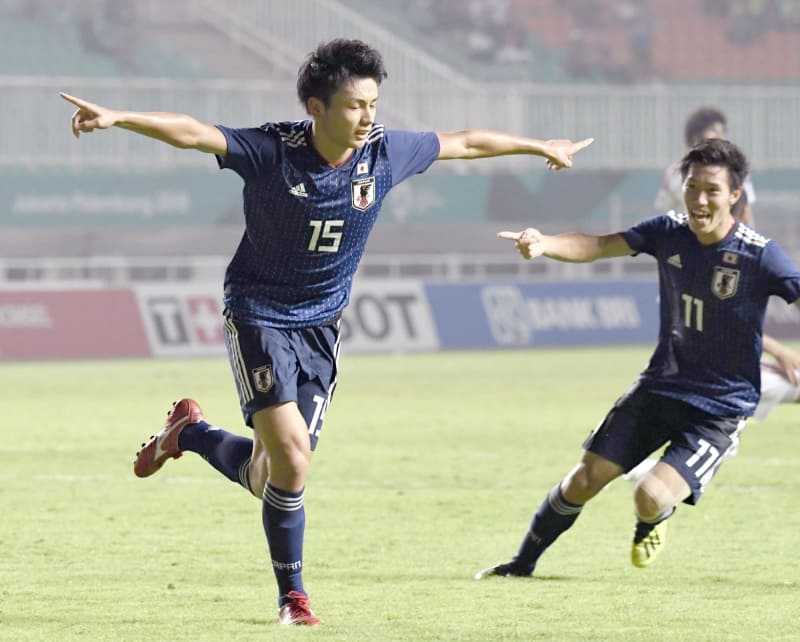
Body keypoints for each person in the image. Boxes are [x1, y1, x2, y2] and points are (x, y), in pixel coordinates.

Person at [60, 38, 593, 626]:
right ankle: (293, 598)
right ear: (315, 106)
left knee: (274, 472)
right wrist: (119, 118)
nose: (368, 117)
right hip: (259, 314)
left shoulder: (386, 153)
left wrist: (541, 145)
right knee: (292, 460)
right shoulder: (271, 151)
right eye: (354, 106)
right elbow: (191, 132)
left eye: (373, 104)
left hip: (321, 326)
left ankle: (188, 434)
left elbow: (465, 142)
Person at [478, 138, 800, 579]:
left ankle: (654, 519)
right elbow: (597, 245)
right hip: (660, 387)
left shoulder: (759, 255)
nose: (699, 200)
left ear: (734, 195)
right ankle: (521, 564)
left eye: (711, 190)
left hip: (720, 408)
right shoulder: (668, 231)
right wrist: (545, 243)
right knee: (583, 480)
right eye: (692, 188)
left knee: (648, 496)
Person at [655, 106, 756, 226]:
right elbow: (665, 212)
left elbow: (745, 212)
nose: (719, 137)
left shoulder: (735, 170)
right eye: (714, 131)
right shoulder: (675, 173)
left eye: (722, 132)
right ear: (696, 134)